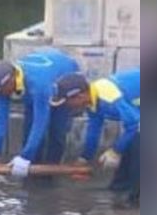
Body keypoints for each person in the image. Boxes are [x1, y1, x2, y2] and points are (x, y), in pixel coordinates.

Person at [0, 48, 80, 177]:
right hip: (37, 85)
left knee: (56, 130)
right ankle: (32, 171)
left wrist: (25, 156)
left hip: (63, 76)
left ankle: (50, 173)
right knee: (28, 128)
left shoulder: (38, 84)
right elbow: (0, 117)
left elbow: (40, 123)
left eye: (0, 90)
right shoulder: (2, 86)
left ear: (11, 80)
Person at [52, 68, 141, 200]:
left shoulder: (109, 98)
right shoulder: (92, 98)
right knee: (129, 148)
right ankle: (119, 191)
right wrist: (85, 158)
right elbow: (94, 129)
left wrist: (116, 151)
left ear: (80, 96)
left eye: (67, 102)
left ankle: (136, 200)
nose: (67, 106)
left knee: (137, 147)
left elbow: (135, 125)